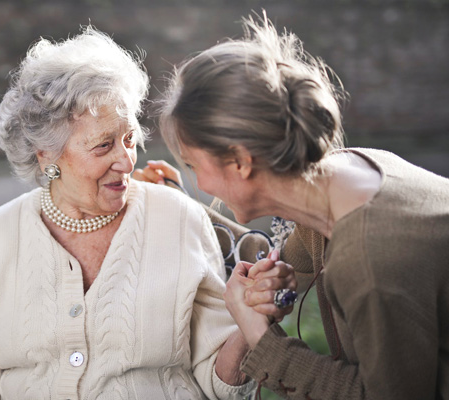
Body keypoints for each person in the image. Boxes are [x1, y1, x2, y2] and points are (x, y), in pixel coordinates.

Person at [0, 27, 297, 400]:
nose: (126, 160)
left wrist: (251, 318)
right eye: (103, 146)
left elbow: (219, 385)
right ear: (46, 155)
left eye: (130, 139)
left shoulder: (179, 218)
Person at [147, 12, 449, 400]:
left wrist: (260, 337)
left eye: (193, 166)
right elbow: (285, 261)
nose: (198, 182)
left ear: (239, 161)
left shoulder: (369, 261)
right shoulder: (347, 173)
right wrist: (277, 278)